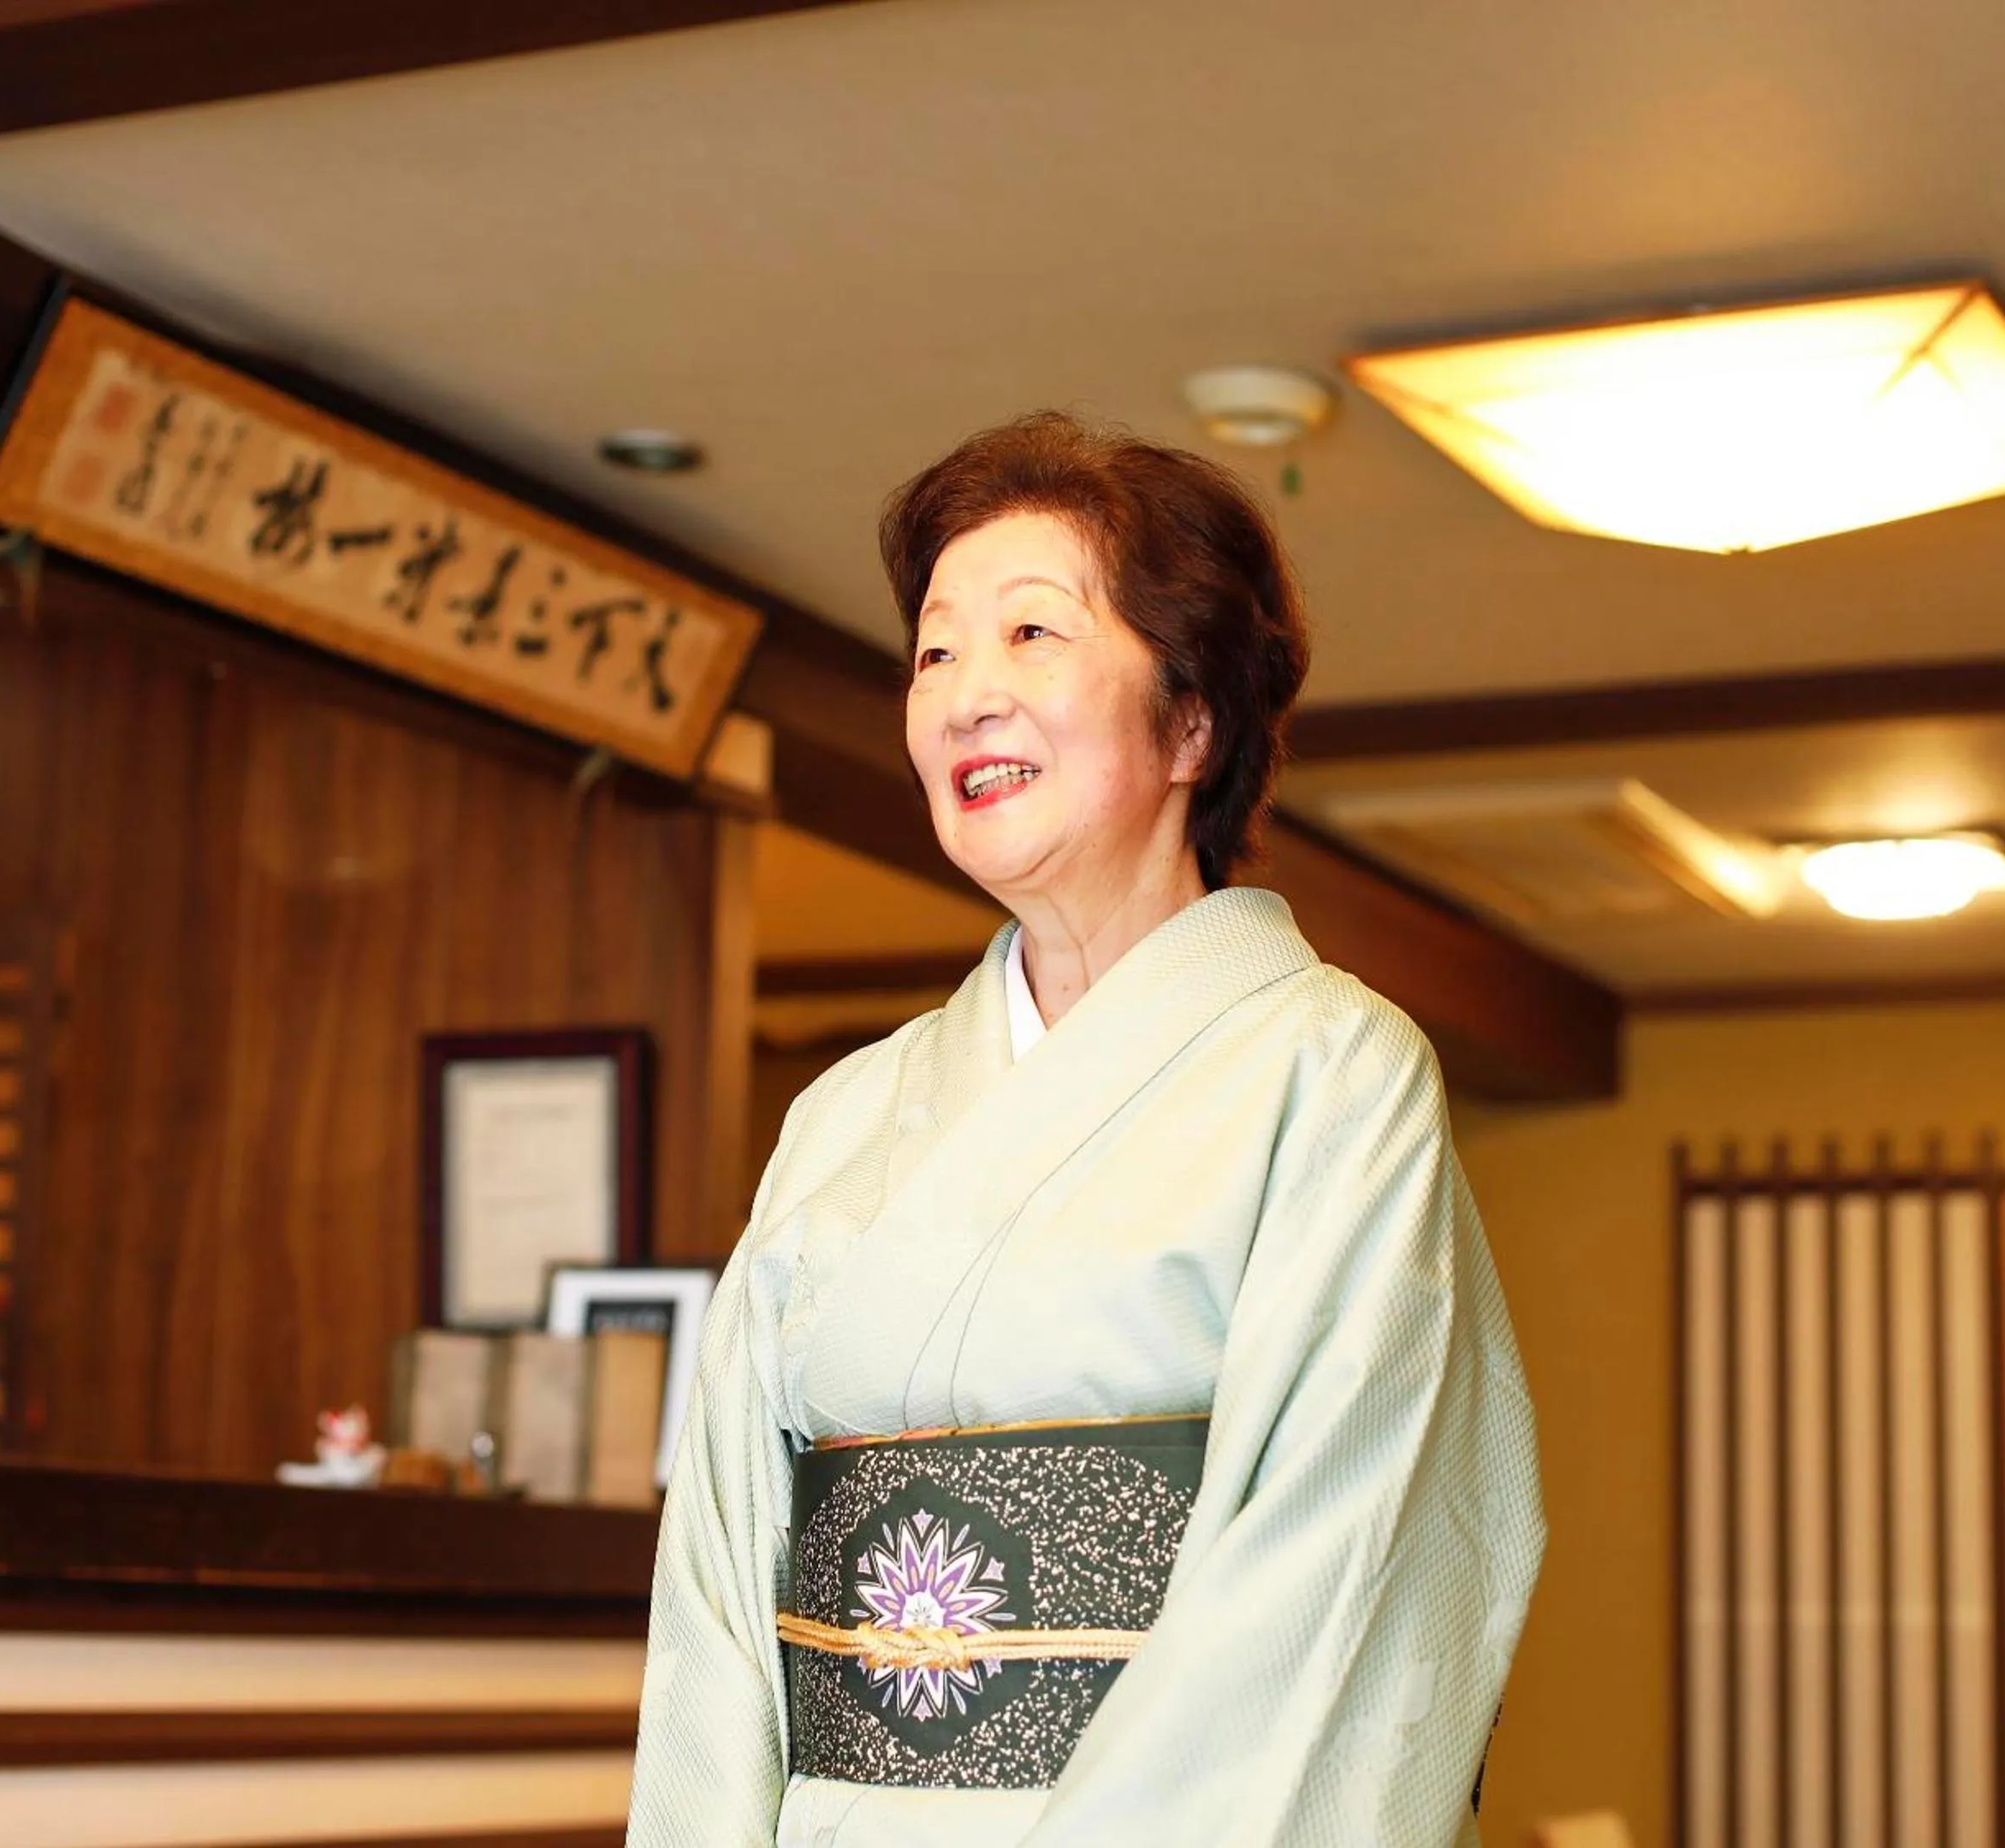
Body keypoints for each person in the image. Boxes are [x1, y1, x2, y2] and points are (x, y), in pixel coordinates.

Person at [630, 412, 1544, 1847]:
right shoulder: (846, 1113)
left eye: (1031, 635)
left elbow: (1343, 1560)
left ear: (1192, 723)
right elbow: (721, 1571)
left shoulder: (1330, 1073)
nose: (966, 697)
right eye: (935, 653)